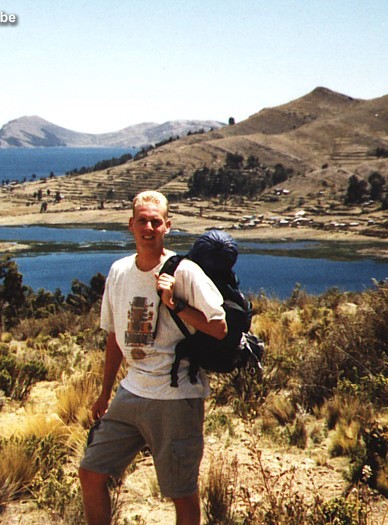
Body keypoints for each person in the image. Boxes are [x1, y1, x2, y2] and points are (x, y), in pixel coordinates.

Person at [78, 190, 227, 525]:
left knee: (181, 492)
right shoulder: (118, 271)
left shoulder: (184, 271)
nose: (148, 227)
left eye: (155, 221)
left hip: (175, 397)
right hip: (132, 391)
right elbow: (115, 337)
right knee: (91, 473)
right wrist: (104, 393)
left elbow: (219, 328)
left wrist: (176, 304)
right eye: (142, 220)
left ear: (167, 226)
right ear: (131, 225)